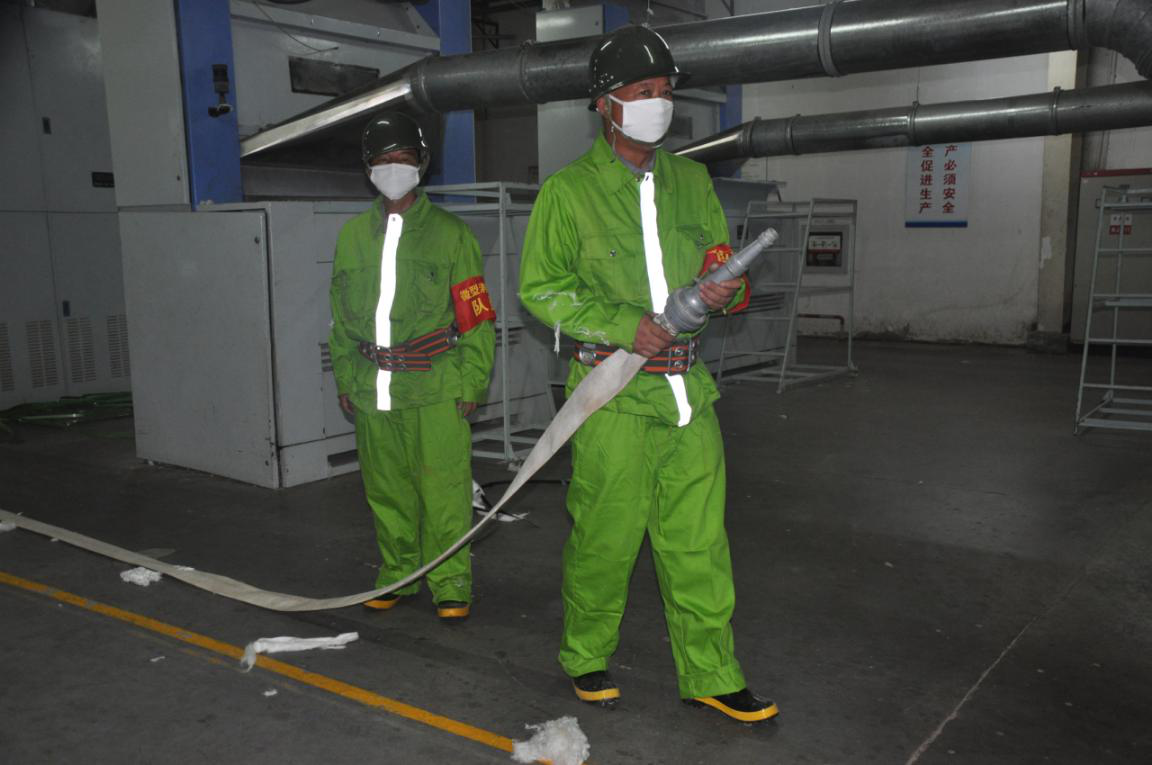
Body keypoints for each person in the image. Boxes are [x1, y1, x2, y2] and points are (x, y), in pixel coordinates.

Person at [518, 25, 776, 722]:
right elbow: (540, 289)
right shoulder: (568, 193)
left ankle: (712, 672)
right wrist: (619, 322)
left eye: (664, 90)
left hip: (689, 395)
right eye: (642, 91)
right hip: (613, 397)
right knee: (605, 538)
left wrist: (728, 291)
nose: (657, 103)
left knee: (699, 542)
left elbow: (723, 270)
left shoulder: (692, 182)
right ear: (606, 104)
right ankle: (586, 654)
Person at [329, 111, 495, 623]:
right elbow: (340, 319)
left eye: (403, 158)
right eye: (384, 159)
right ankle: (398, 574)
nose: (393, 167)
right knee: (386, 489)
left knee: (444, 490)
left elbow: (477, 318)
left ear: (421, 164)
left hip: (436, 386)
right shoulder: (352, 237)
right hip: (373, 388)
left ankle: (451, 582)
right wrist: (345, 378)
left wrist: (472, 381)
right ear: (368, 168)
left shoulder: (451, 235)